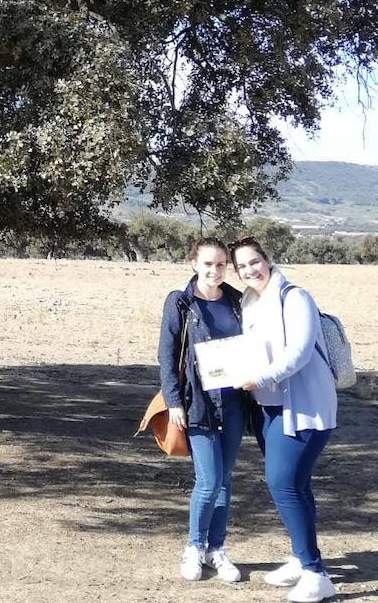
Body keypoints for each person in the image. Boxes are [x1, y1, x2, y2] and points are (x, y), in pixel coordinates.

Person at [234, 236, 339, 603]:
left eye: (254, 262)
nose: (249, 270)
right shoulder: (250, 302)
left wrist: (260, 378)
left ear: (268, 259)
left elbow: (300, 350)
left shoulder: (295, 297)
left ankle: (316, 573)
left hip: (304, 408)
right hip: (268, 409)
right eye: (242, 266)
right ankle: (300, 557)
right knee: (297, 484)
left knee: (282, 483)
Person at [157, 237, 248, 583]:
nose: (214, 270)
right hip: (197, 403)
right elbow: (166, 356)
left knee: (225, 480)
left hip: (235, 403)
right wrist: (174, 401)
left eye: (221, 265)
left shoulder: (237, 301)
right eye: (208, 264)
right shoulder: (180, 302)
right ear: (194, 263)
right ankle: (193, 547)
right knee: (208, 481)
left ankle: (216, 549)